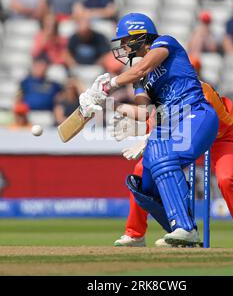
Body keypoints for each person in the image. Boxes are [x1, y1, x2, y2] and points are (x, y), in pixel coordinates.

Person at [78, 13, 219, 246]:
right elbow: (147, 111)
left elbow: (142, 68)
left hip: (196, 114)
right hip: (171, 123)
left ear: (140, 37)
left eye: (125, 41)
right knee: (145, 179)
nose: (122, 47)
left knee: (164, 156)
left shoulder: (165, 43)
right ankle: (180, 232)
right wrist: (110, 104)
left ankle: (185, 228)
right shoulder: (139, 79)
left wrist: (108, 85)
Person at [111, 58, 233, 249]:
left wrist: (149, 134)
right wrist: (113, 106)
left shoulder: (202, 91)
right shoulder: (164, 93)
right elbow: (153, 117)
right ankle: (136, 234)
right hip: (185, 138)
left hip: (222, 138)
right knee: (142, 169)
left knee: (226, 180)